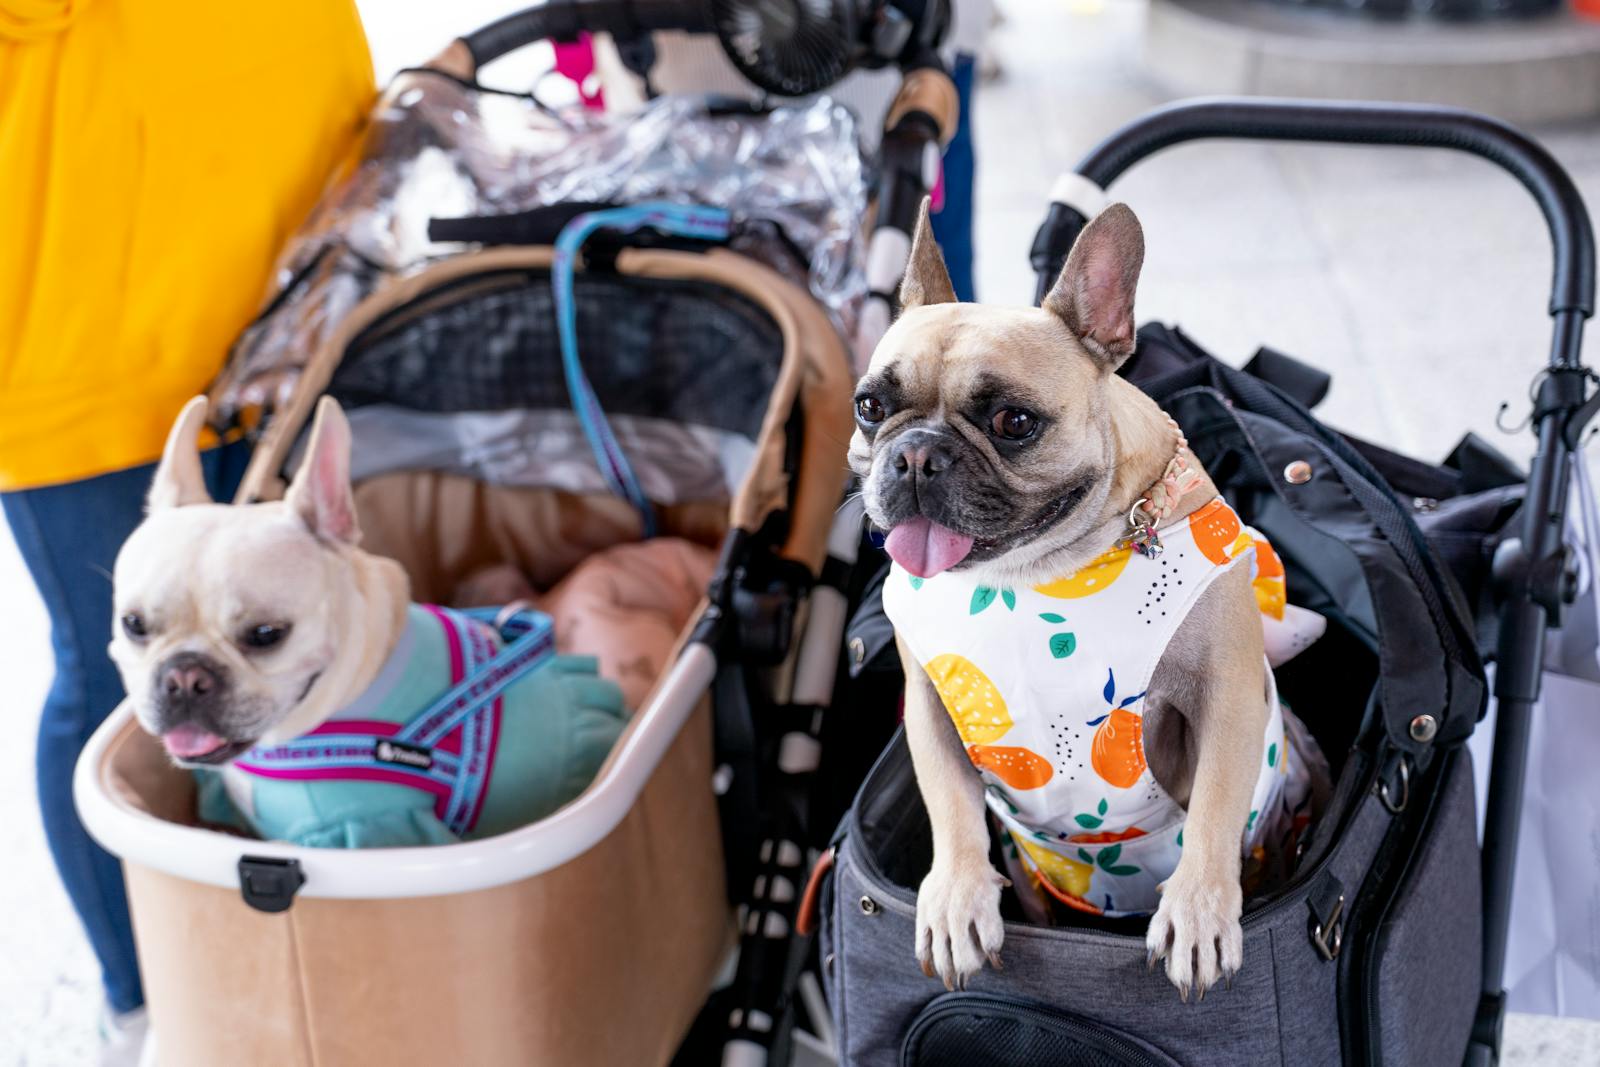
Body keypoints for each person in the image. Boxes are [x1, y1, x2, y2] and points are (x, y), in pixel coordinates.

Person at [0, 1, 373, 1060]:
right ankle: (146, 1000)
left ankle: (329, 965)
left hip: (297, 285)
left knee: (323, 646)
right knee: (120, 675)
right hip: (88, 328)